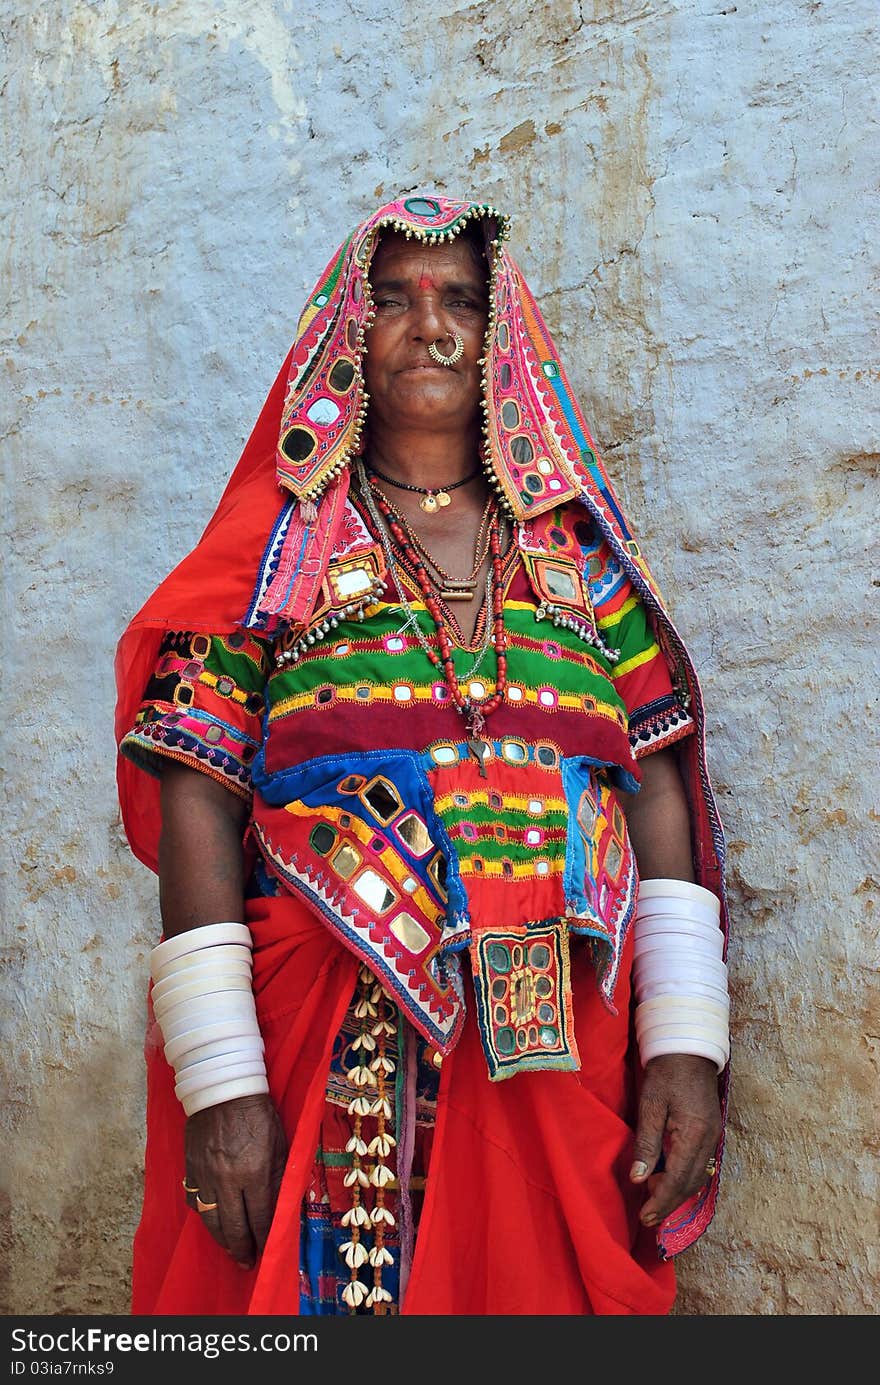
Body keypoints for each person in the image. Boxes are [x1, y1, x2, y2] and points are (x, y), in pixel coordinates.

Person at [115, 195, 730, 1316]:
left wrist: (686, 1041)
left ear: (502, 336)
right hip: (324, 1044)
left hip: (562, 1056)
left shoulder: (582, 557)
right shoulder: (274, 547)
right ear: (344, 340)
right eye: (393, 300)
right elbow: (194, 790)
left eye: (458, 300)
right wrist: (219, 1078)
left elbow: (656, 782)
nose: (429, 325)